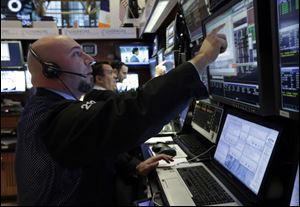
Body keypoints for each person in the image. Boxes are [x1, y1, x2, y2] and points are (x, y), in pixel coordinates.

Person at [15, 25, 227, 205]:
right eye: (76, 54)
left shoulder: (41, 108)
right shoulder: (53, 118)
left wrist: (134, 166)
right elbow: (134, 110)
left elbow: (93, 145)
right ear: (51, 70)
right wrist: (202, 59)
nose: (89, 59)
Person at [84, 61, 174, 205]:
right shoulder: (106, 98)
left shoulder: (91, 97)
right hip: (113, 180)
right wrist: (135, 166)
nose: (115, 76)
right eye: (110, 73)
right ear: (98, 79)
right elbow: (110, 143)